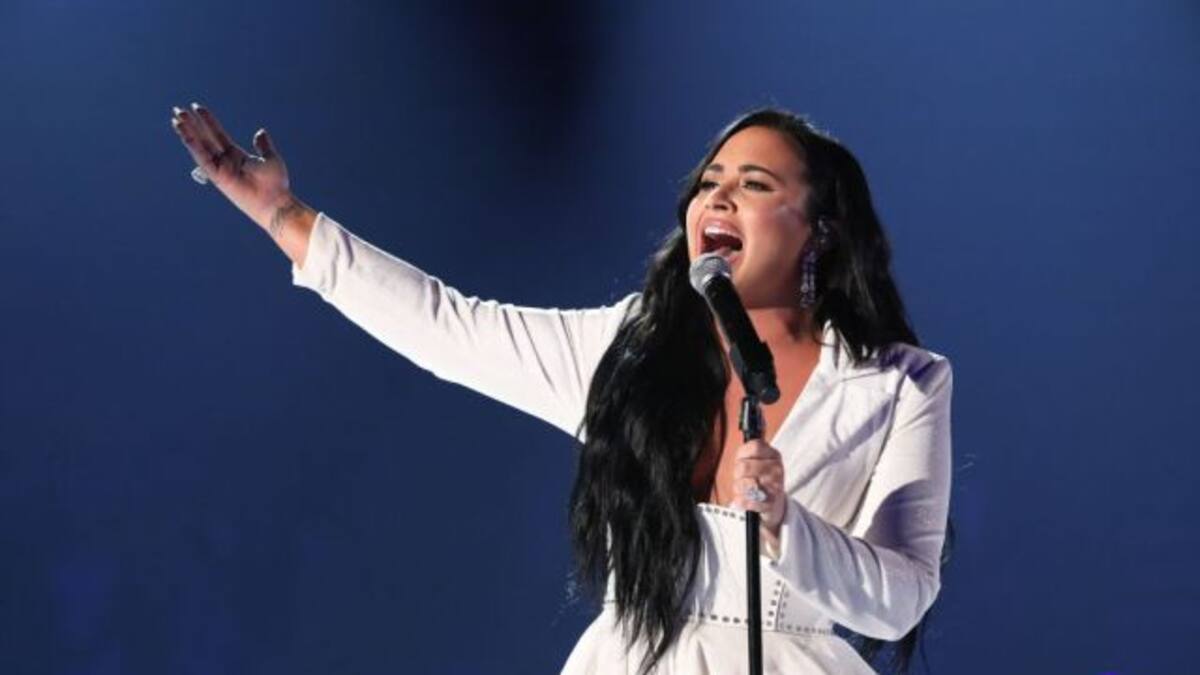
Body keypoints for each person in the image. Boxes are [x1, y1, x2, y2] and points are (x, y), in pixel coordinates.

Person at [170, 103, 953, 674]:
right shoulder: (628, 351)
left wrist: (786, 525)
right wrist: (282, 215)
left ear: (820, 230)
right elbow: (446, 326)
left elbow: (902, 596)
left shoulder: (899, 384)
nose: (717, 198)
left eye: (753, 184)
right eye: (709, 182)